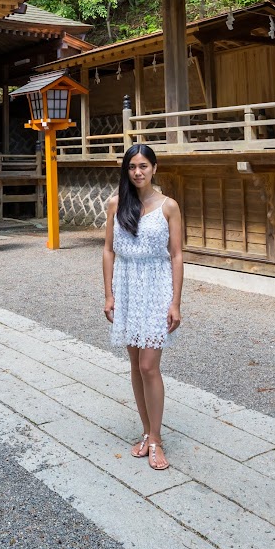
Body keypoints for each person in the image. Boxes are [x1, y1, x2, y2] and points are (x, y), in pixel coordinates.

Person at [103, 143, 184, 471]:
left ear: (154, 168)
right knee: (136, 365)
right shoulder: (116, 204)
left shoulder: (169, 206)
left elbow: (176, 255)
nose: (138, 172)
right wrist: (108, 294)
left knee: (150, 365)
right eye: (132, 167)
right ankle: (146, 432)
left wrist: (175, 301)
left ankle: (157, 439)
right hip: (126, 287)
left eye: (143, 166)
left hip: (156, 287)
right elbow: (108, 250)